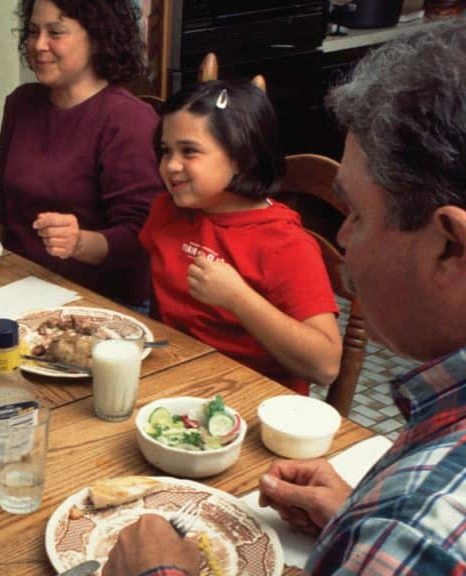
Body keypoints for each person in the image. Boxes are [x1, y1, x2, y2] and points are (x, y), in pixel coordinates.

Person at [105, 19, 466, 575]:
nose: (342, 238)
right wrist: (356, 510)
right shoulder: (428, 438)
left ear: (450, 249)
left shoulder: (413, 532)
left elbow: (323, 359)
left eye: (357, 216)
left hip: (246, 431)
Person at [138, 81, 341, 394]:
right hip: (174, 381)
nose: (171, 166)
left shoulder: (285, 244)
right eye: (166, 151)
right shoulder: (168, 210)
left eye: (189, 151)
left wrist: (238, 298)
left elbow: (325, 366)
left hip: (253, 400)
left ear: (240, 158)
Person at [0, 0, 163, 308]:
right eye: (32, 31)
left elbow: (140, 238)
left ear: (97, 38)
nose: (38, 45)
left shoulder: (129, 120)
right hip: (19, 285)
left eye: (55, 32)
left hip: (102, 303)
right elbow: (1, 198)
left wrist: (79, 242)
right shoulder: (20, 103)